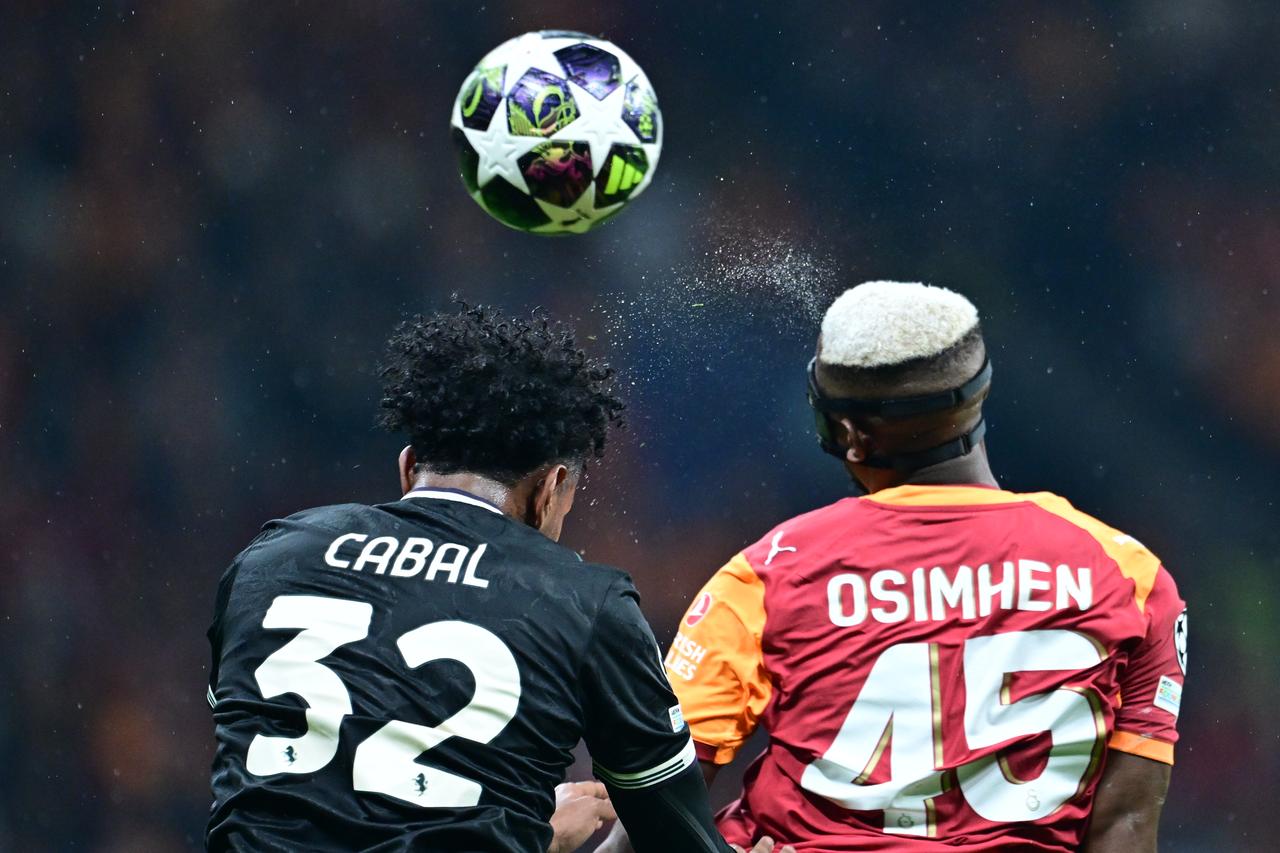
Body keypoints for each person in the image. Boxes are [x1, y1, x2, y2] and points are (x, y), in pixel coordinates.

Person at [603, 281, 1186, 852]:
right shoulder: (1131, 578)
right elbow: (1127, 827)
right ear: (980, 396)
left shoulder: (768, 578)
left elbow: (651, 814)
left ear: (849, 435)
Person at [206, 305, 750, 852]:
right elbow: (678, 842)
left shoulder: (270, 558)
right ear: (549, 490)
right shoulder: (586, 602)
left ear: (408, 467)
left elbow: (314, 787)